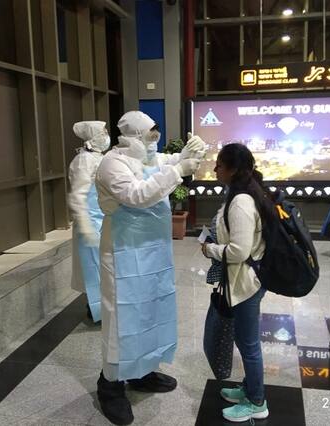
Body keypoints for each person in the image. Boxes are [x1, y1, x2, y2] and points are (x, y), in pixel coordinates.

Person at [94, 110, 205, 425]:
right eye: (150, 135)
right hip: (123, 253)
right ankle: (110, 385)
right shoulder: (112, 163)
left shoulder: (146, 158)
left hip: (152, 253)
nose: (155, 141)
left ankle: (141, 371)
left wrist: (190, 153)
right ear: (134, 136)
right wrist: (179, 169)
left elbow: (169, 162)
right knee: (122, 318)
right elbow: (136, 194)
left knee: (151, 311)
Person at [201, 143, 277, 423]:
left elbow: (239, 251)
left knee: (248, 345)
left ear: (233, 169)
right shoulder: (241, 194)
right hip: (244, 281)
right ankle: (249, 388)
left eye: (219, 165)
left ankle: (257, 402)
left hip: (246, 284)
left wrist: (210, 249)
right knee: (245, 341)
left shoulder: (241, 202)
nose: (214, 169)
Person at [68, 121, 111, 322]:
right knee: (94, 268)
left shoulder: (99, 157)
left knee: (104, 268)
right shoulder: (83, 160)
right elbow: (78, 195)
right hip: (90, 221)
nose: (106, 136)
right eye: (103, 132)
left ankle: (106, 309)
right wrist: (85, 225)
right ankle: (97, 312)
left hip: (103, 218)